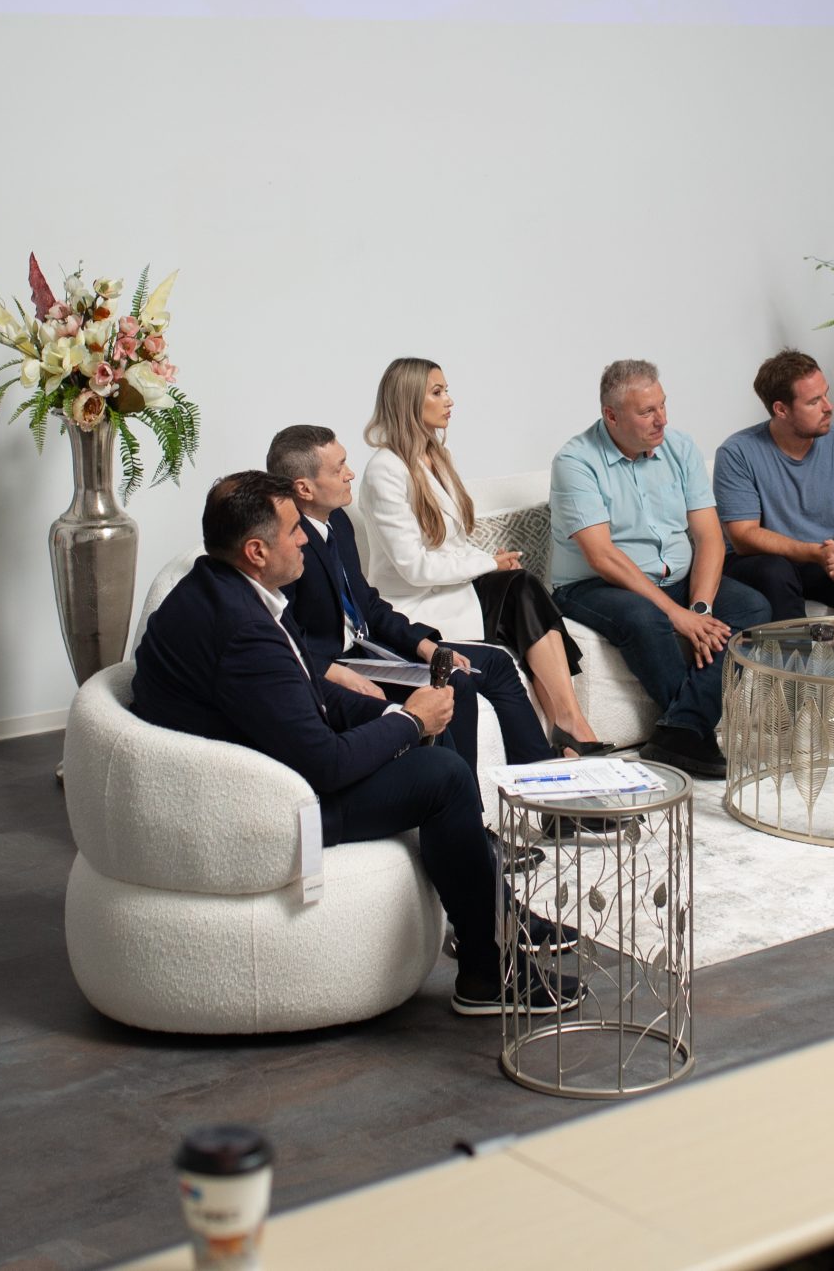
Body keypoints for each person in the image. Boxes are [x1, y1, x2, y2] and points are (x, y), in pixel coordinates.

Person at [131, 472, 580, 1016]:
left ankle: (493, 925)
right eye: (293, 530)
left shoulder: (219, 590)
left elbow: (303, 689)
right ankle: (488, 970)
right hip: (264, 808)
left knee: (434, 749)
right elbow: (325, 764)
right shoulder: (243, 631)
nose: (304, 538)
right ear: (256, 551)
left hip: (255, 769)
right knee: (443, 778)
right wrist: (409, 722)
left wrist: (393, 714)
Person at [266, 424, 562, 775]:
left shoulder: (338, 522)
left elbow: (368, 604)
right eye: (338, 468)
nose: (350, 474)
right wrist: (334, 673)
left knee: (494, 663)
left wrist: (425, 646)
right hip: (335, 665)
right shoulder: (286, 544)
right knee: (455, 682)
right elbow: (278, 633)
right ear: (304, 488)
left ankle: (543, 779)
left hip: (368, 648)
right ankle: (464, 800)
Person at [353, 358, 611, 755]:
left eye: (446, 390)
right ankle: (573, 731)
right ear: (408, 401)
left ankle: (571, 725)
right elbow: (414, 567)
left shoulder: (437, 456)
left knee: (521, 585)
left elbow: (454, 545)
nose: (449, 400)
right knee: (521, 591)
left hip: (453, 592)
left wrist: (495, 563)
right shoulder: (384, 470)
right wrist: (489, 564)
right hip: (418, 606)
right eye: (437, 392)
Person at [549, 359, 770, 780]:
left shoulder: (680, 447)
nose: (661, 419)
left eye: (663, 405)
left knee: (753, 607)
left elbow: (708, 536)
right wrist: (676, 615)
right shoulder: (576, 461)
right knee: (644, 617)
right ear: (612, 415)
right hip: (595, 584)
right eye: (647, 411)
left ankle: (680, 731)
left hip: (674, 580)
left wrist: (700, 609)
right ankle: (690, 732)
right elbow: (602, 556)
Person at [713, 349, 834, 622]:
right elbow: (744, 536)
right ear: (781, 410)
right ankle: (795, 651)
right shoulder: (737, 453)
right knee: (776, 573)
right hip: (763, 560)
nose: (829, 407)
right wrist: (814, 553)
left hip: (825, 556)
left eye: (826, 394)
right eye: (814, 401)